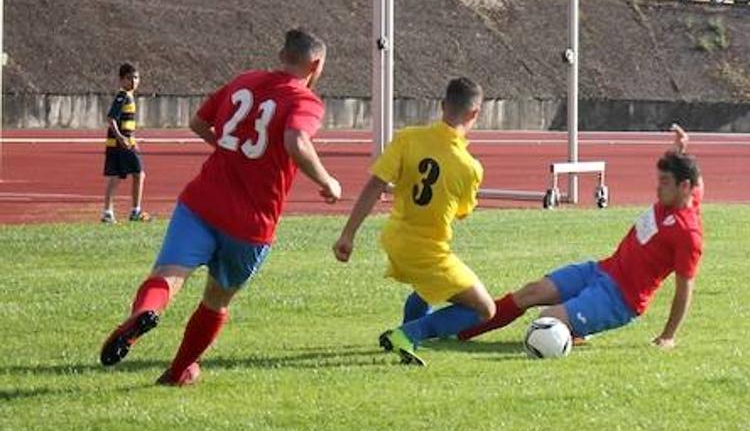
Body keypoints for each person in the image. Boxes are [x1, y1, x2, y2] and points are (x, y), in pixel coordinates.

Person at [99, 29, 342, 386]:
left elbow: (198, 122)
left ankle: (145, 312)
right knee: (216, 300)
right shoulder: (304, 100)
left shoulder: (244, 81)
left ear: (281, 54)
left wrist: (228, 147)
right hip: (250, 223)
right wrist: (327, 181)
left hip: (201, 203)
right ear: (316, 64)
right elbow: (295, 139)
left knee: (168, 274)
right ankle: (179, 370)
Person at [458, 125, 702, 350]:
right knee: (531, 293)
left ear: (684, 187)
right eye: (659, 180)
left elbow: (684, 290)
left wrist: (668, 336)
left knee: (546, 321)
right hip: (601, 270)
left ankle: (577, 326)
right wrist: (680, 150)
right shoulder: (683, 194)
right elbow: (695, 179)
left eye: (665, 182)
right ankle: (461, 332)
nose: (658, 188)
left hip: (620, 298)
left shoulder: (688, 233)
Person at [332, 77, 492, 367]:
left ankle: (405, 340)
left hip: (395, 237)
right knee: (483, 309)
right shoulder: (470, 167)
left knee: (426, 288)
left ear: (442, 105)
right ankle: (407, 334)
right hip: (427, 249)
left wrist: (348, 234)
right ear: (475, 114)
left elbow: (374, 185)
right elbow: (463, 212)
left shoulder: (408, 138)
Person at [102, 63, 151, 224]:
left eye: (136, 77)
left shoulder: (126, 96)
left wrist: (133, 139)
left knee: (116, 177)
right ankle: (135, 211)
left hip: (119, 143)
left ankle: (107, 212)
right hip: (122, 143)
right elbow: (111, 118)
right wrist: (122, 138)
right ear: (121, 80)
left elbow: (124, 122)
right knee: (139, 174)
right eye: (129, 78)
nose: (133, 81)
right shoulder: (123, 96)